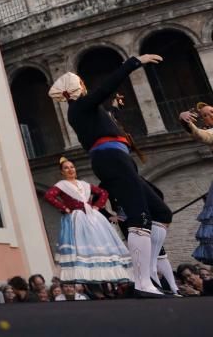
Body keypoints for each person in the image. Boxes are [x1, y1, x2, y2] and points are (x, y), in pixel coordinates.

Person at [49, 54, 169, 298]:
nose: (85, 86)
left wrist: (115, 108)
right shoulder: (79, 106)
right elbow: (105, 88)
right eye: (82, 83)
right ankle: (142, 281)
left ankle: (149, 273)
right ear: (76, 88)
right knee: (139, 218)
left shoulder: (86, 110)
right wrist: (134, 62)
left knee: (161, 212)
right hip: (111, 159)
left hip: (119, 158)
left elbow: (106, 117)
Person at [43, 157, 131, 283]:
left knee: (99, 244)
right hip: (77, 219)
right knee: (82, 246)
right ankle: (88, 276)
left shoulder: (84, 184)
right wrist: (64, 208)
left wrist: (97, 206)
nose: (70, 169)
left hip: (92, 217)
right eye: (66, 168)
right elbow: (49, 195)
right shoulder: (61, 185)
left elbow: (103, 193)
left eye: (72, 167)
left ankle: (106, 276)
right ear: (62, 172)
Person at [179, 103, 213, 264]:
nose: (210, 115)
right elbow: (200, 135)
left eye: (212, 111)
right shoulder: (211, 132)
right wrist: (186, 122)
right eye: (206, 115)